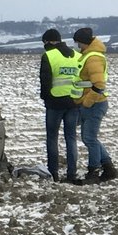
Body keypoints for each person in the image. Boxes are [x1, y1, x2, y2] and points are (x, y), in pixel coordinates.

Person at [73, 27, 118, 183]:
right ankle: (108, 168)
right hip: (93, 104)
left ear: (84, 42)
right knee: (89, 138)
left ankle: (93, 173)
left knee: (90, 138)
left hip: (95, 105)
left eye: (79, 43)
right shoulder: (90, 56)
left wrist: (87, 102)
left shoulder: (93, 58)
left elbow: (98, 84)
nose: (78, 46)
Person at [39, 28, 82, 183]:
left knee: (52, 138)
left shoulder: (49, 56)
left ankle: (54, 173)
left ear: (48, 41)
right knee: (71, 138)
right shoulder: (77, 56)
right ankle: (72, 174)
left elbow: (45, 81)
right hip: (74, 102)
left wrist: (45, 99)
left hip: (55, 103)